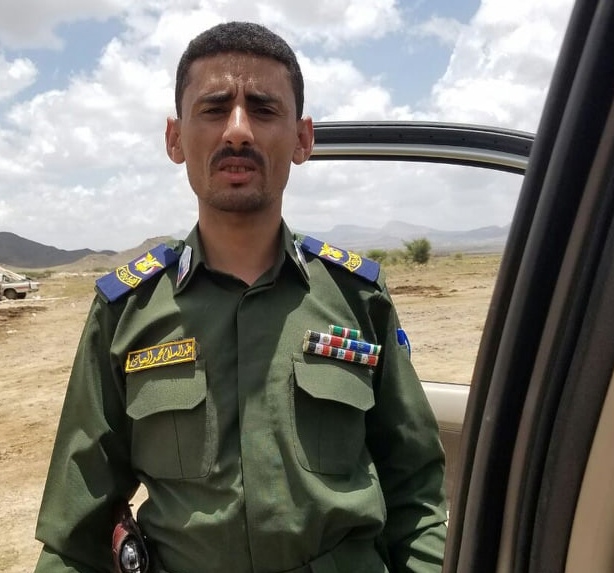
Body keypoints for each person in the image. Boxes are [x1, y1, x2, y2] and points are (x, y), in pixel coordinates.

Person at [33, 21, 448, 573]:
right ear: (175, 138)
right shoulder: (125, 311)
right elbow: (75, 534)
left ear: (302, 139)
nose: (237, 131)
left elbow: (416, 496)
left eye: (263, 108)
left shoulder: (358, 298)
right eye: (213, 108)